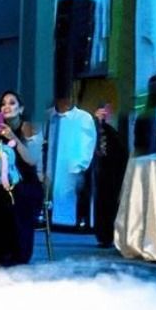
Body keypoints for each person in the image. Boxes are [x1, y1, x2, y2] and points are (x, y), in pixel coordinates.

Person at [0, 90, 44, 266]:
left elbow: (31, 160)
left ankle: (17, 252)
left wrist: (13, 137)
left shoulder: (28, 128)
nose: (6, 107)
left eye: (12, 103)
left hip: (26, 182)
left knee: (16, 195)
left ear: (21, 108)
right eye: (3, 103)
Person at [46, 93, 96, 227]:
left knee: (69, 198)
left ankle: (76, 221)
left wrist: (78, 166)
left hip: (72, 168)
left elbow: (87, 144)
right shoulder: (48, 116)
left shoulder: (83, 118)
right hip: (51, 167)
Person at [92, 101, 128, 248]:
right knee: (104, 202)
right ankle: (105, 235)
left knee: (110, 202)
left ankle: (108, 235)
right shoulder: (98, 128)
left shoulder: (113, 130)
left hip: (113, 171)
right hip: (103, 171)